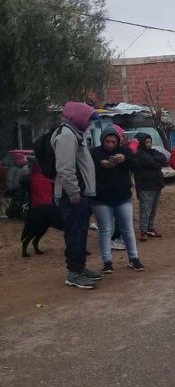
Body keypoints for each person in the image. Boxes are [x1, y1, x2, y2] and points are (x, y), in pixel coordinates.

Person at [52, 101, 102, 289]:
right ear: (79, 117)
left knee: (80, 232)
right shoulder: (66, 136)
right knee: (75, 233)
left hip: (80, 193)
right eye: (88, 119)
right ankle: (74, 273)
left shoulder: (74, 133)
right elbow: (65, 169)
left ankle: (79, 268)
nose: (90, 123)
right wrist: (74, 194)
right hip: (73, 195)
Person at [90, 125, 144, 273]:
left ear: (118, 141)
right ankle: (107, 262)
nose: (110, 145)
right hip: (100, 198)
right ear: (102, 140)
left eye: (113, 142)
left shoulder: (124, 151)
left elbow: (137, 165)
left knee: (127, 228)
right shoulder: (94, 153)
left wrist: (125, 159)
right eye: (107, 141)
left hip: (122, 197)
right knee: (106, 230)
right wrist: (100, 164)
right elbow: (86, 169)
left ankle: (134, 258)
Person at [133, 132, 167, 241]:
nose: (148, 144)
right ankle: (143, 230)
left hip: (156, 184)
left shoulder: (152, 151)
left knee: (153, 209)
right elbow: (150, 163)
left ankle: (150, 228)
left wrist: (157, 162)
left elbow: (163, 159)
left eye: (149, 142)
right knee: (145, 209)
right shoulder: (139, 154)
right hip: (145, 185)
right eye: (146, 142)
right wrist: (157, 163)